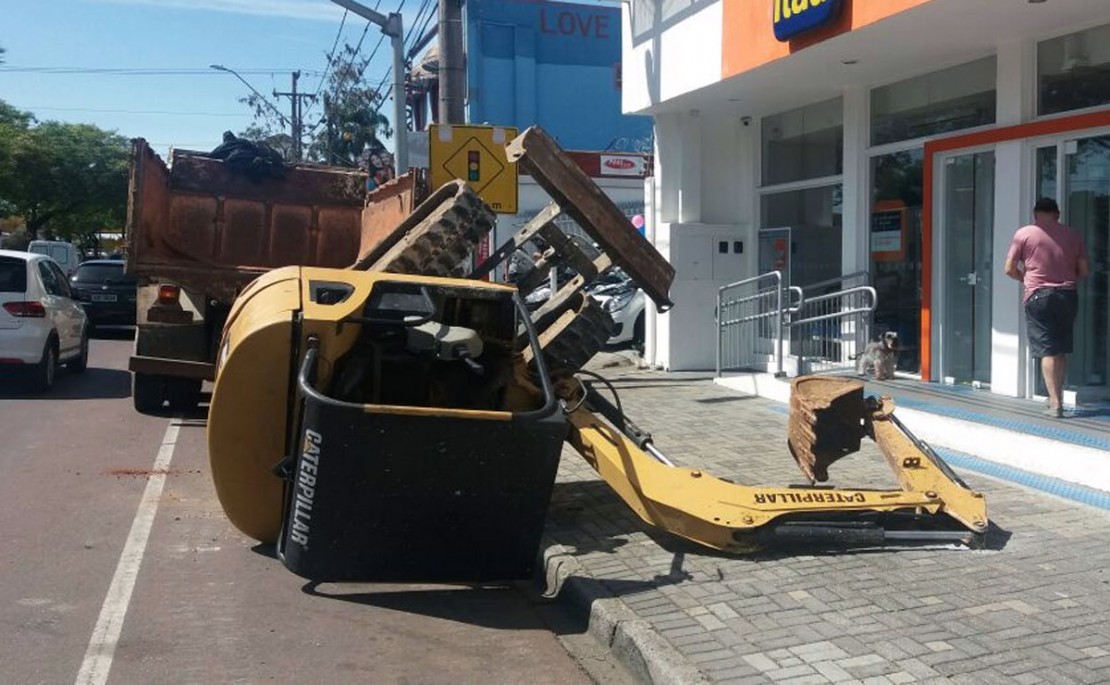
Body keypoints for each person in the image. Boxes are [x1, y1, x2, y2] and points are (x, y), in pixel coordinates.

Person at [1004, 197, 1089, 417]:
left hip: (1039, 296)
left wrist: (1027, 279)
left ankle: (1055, 404)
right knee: (1060, 350)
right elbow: (1084, 270)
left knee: (1047, 350)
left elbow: (1009, 268)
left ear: (1035, 214)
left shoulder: (1024, 234)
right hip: (1068, 295)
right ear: (1057, 214)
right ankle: (1057, 398)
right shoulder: (1073, 235)